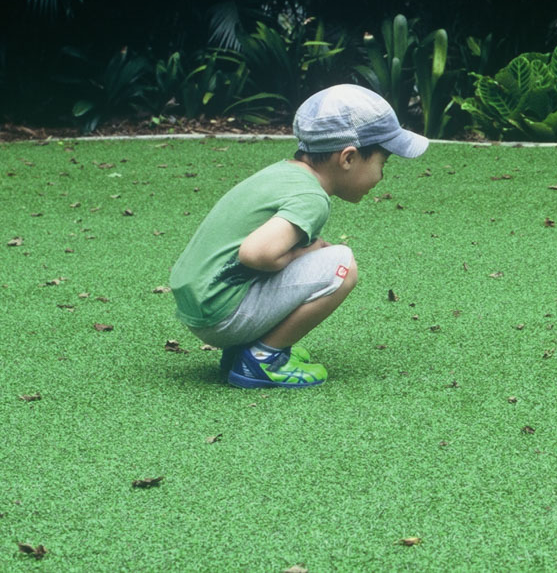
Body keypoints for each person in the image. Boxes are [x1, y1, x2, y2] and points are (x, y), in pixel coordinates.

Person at [169, 84, 428, 388]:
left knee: (321, 257)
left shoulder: (281, 173)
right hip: (221, 315)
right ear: (348, 158)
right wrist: (306, 251)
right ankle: (262, 358)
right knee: (342, 266)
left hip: (201, 304)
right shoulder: (312, 198)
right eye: (382, 163)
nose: (381, 176)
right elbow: (255, 254)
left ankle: (243, 349)